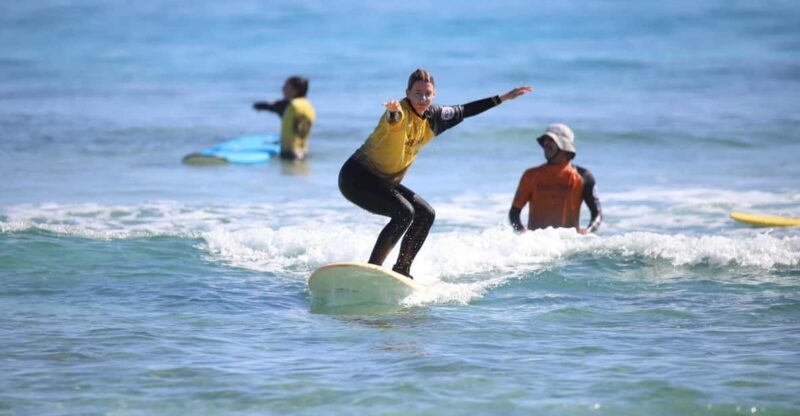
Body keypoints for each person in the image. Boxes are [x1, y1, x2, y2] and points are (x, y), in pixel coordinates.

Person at [339, 68, 532, 279]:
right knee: (404, 213)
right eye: (417, 93)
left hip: (383, 182)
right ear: (407, 92)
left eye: (427, 94)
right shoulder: (400, 112)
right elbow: (393, 119)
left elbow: (466, 110)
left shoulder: (434, 117)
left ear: (434, 94)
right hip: (356, 177)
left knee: (426, 214)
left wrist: (503, 98)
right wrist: (393, 111)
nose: (423, 98)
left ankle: (402, 270)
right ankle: (373, 268)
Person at [509, 123, 602, 234]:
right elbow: (514, 212)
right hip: (537, 244)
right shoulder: (530, 175)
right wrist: (521, 230)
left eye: (551, 140)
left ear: (564, 146)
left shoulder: (583, 177)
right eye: (545, 140)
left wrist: (588, 231)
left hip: (569, 244)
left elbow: (597, 214)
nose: (546, 144)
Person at [253, 76, 316, 160]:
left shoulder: (290, 105)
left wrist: (257, 106)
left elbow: (268, 106)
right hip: (303, 154)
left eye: (286, 86)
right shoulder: (309, 106)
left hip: (289, 154)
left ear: (295, 90)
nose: (282, 88)